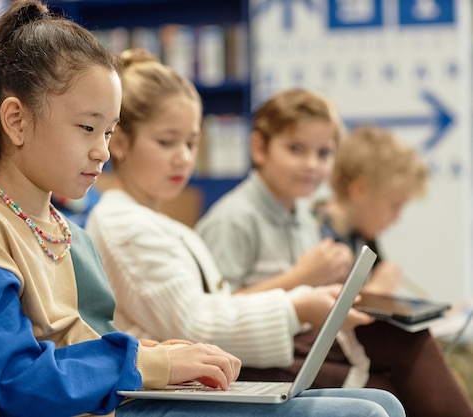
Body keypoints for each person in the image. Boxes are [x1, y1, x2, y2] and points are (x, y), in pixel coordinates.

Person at [83, 47, 405, 416]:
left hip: (193, 383)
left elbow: (211, 307)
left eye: (191, 143)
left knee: (384, 403)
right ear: (120, 142)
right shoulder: (124, 223)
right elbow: (195, 324)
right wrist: (296, 303)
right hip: (157, 392)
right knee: (370, 410)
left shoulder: (160, 224)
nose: (184, 158)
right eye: (166, 142)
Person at [195, 88, 473, 417]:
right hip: (256, 360)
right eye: (296, 149)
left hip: (299, 347)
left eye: (324, 153)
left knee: (408, 347)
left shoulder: (300, 216)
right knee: (391, 378)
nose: (311, 164)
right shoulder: (233, 219)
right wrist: (302, 277)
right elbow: (210, 317)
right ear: (259, 148)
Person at [312, 123, 429, 295]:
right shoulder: (314, 235)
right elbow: (322, 315)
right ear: (360, 190)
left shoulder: (362, 234)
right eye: (394, 206)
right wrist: (375, 292)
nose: (396, 219)